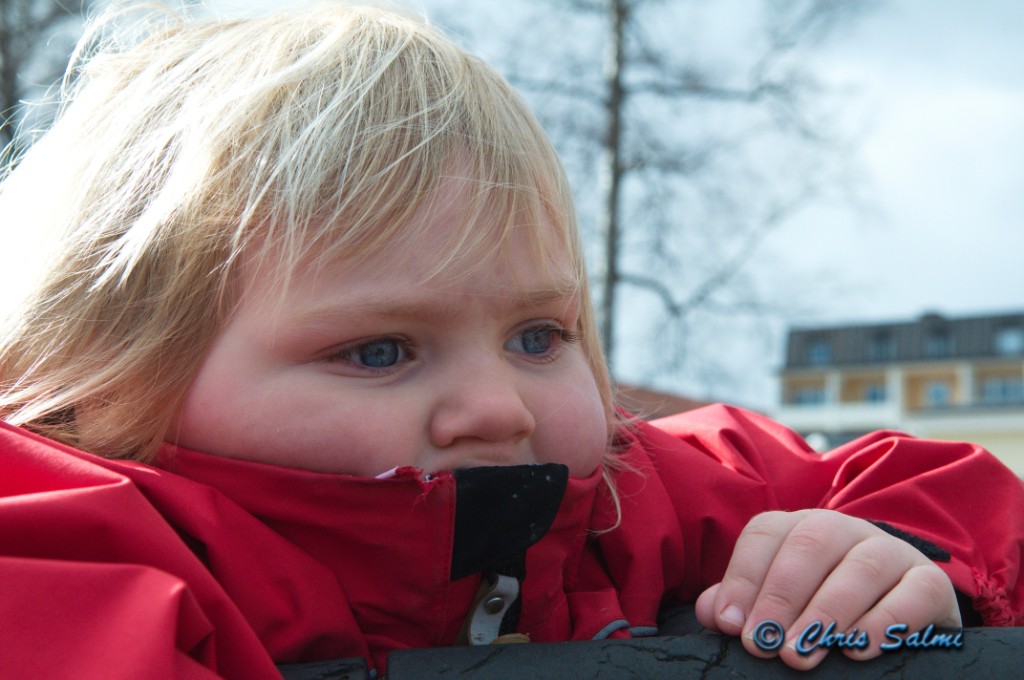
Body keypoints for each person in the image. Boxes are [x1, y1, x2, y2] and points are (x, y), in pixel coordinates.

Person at [0, 2, 1020, 678]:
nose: (500, 405)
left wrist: (889, 557)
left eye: (539, 333)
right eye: (380, 350)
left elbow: (947, 490)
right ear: (107, 378)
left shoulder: (618, 498)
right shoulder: (75, 553)